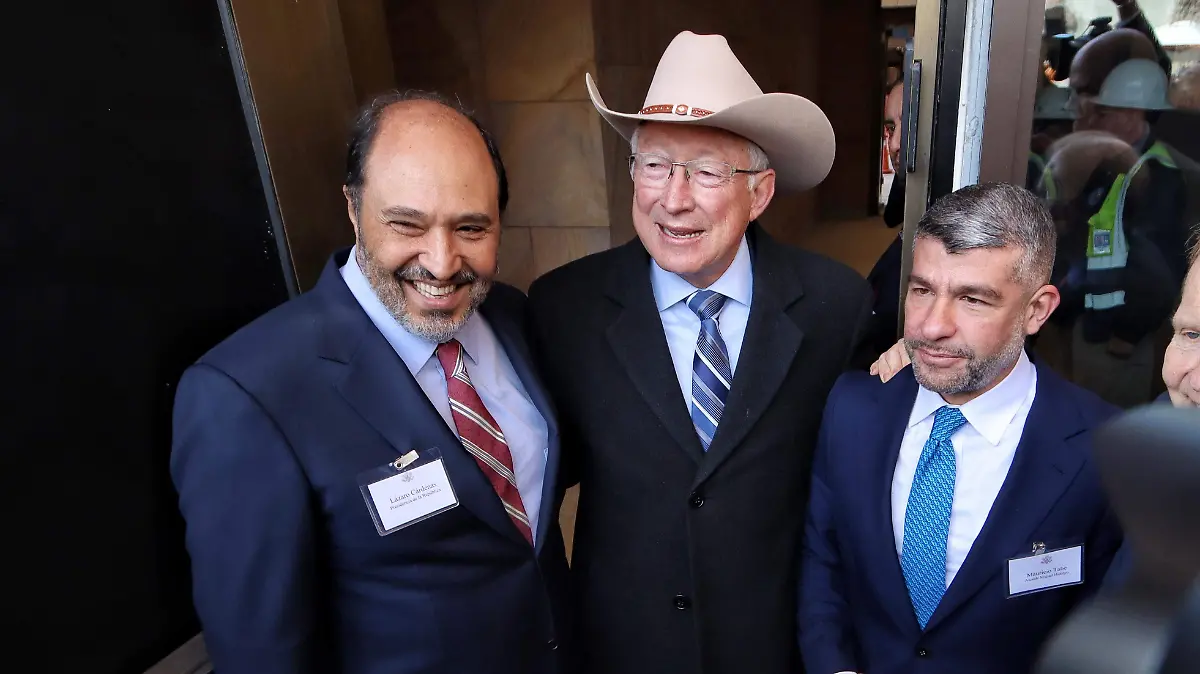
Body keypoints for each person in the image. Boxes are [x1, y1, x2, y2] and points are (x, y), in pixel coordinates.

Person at [170, 91, 573, 674]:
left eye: (471, 228)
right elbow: (261, 653)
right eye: (407, 224)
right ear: (354, 208)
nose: (441, 262)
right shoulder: (245, 395)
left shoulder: (513, 316)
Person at [526, 31, 873, 674]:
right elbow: (535, 475)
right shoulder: (564, 308)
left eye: (707, 171)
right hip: (625, 650)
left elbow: (855, 486)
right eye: (655, 165)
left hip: (773, 647)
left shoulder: (835, 306)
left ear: (759, 193)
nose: (674, 198)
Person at [801, 182, 1123, 674]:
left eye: (972, 299)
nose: (932, 326)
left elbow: (1100, 623)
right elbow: (823, 561)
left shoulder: (1102, 449)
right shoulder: (853, 409)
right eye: (922, 290)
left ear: (1037, 310)